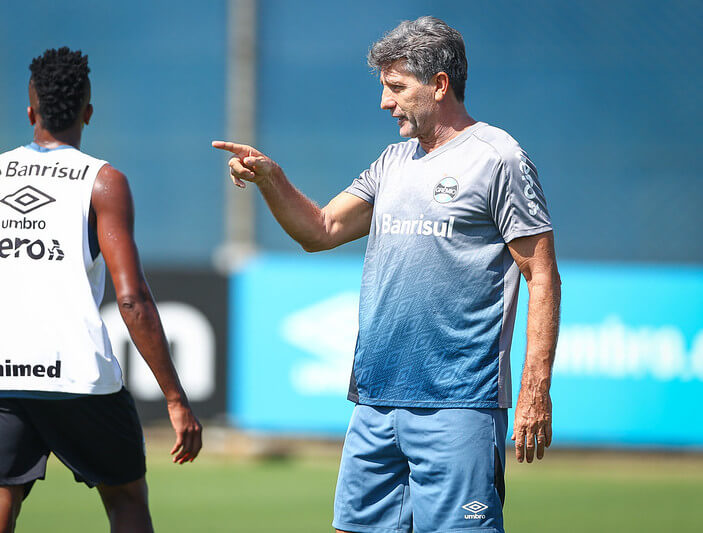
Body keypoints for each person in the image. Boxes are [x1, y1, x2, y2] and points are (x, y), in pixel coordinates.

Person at [213, 16, 560, 533]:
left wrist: (535, 387)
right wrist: (270, 177)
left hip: (457, 404)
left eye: (397, 87)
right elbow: (321, 229)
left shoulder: (498, 158)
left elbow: (543, 275)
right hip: (375, 403)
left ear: (440, 85)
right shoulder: (393, 161)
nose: (384, 102)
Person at [0, 47, 202, 533]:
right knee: (125, 502)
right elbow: (131, 299)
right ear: (89, 112)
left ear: (31, 112)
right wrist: (175, 399)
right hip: (77, 376)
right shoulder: (102, 181)